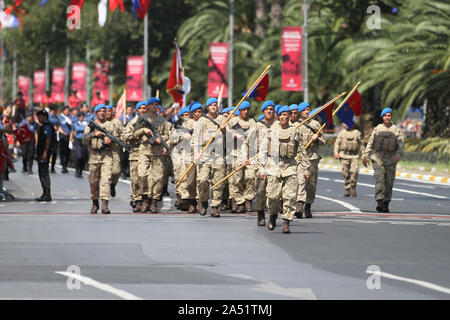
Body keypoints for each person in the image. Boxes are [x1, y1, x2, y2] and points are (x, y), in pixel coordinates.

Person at [263, 106, 310, 234]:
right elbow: (263, 150)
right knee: (273, 196)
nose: (283, 117)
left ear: (289, 117)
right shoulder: (272, 130)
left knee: (290, 196)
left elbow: (301, 150)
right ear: (278, 116)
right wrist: (262, 168)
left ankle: (286, 222)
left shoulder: (295, 131)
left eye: (286, 115)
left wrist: (306, 169)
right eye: (281, 115)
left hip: (290, 166)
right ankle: (272, 216)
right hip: (274, 165)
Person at [362, 108, 404, 213]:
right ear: (382, 117)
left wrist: (398, 155)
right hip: (378, 158)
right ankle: (379, 201)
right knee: (380, 179)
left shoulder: (396, 130)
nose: (387, 117)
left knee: (389, 182)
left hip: (391, 159)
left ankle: (386, 203)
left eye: (389, 115)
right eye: (385, 115)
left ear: (391, 117)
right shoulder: (377, 129)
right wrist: (365, 156)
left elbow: (401, 144)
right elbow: (370, 143)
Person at [135, 97, 171, 213]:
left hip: (158, 152)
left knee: (157, 178)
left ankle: (154, 201)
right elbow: (134, 134)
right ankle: (145, 198)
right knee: (142, 174)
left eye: (156, 104)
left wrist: (162, 139)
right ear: (148, 106)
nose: (154, 106)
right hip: (144, 150)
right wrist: (143, 130)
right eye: (152, 104)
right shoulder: (141, 119)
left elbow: (167, 135)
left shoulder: (162, 120)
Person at [193, 97, 227, 217]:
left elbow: (229, 139)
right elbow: (196, 138)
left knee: (218, 181)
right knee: (203, 179)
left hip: (218, 154)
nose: (214, 107)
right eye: (211, 105)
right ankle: (203, 201)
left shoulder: (223, 119)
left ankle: (215, 206)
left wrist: (224, 131)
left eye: (215, 105)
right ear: (207, 107)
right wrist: (196, 153)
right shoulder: (202, 121)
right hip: (205, 153)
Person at [83, 104, 115, 214]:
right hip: (94, 155)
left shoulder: (110, 125)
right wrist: (94, 134)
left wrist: (110, 141)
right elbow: (84, 140)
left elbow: (116, 141)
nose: (102, 113)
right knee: (93, 180)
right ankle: (95, 202)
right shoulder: (90, 126)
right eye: (100, 111)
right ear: (96, 113)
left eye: (104, 111)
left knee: (106, 179)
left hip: (106, 155)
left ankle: (105, 204)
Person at [296, 102, 325, 218]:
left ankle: (308, 205)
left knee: (311, 184)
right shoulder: (295, 125)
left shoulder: (316, 125)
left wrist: (317, 139)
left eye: (308, 109)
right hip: (300, 158)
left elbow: (323, 141)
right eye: (304, 110)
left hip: (312, 158)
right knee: (300, 182)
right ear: (300, 112)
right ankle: (299, 204)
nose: (307, 112)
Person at [227, 100, 257, 213]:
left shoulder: (252, 122)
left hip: (249, 155)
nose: (246, 111)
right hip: (236, 154)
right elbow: (224, 134)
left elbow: (254, 137)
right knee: (237, 179)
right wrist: (234, 135)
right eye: (244, 109)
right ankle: (240, 202)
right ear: (239, 110)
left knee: (250, 177)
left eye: (247, 109)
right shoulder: (233, 121)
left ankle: (248, 199)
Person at [170, 104, 198, 213]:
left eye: (188, 115)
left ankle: (191, 200)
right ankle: (182, 198)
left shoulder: (195, 124)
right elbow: (172, 139)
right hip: (180, 154)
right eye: (184, 115)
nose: (186, 117)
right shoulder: (178, 126)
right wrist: (182, 136)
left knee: (191, 179)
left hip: (192, 154)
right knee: (180, 177)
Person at [123, 101, 148, 212]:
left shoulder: (152, 122)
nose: (143, 110)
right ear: (137, 110)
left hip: (149, 154)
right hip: (136, 154)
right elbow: (125, 137)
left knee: (147, 178)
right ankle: (137, 200)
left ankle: (146, 201)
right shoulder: (132, 123)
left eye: (144, 108)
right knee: (136, 179)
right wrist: (139, 132)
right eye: (141, 108)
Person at [255, 100, 277, 226]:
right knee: (261, 190)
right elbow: (249, 143)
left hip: (275, 160)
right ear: (263, 111)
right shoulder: (257, 126)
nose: (269, 111)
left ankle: (272, 215)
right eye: (267, 109)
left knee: (274, 191)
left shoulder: (279, 125)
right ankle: (260, 215)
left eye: (271, 109)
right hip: (260, 160)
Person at [334, 123, 365, 197]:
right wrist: (336, 152)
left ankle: (353, 187)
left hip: (354, 155)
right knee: (346, 173)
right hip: (344, 155)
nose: (346, 125)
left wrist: (364, 155)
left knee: (354, 171)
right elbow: (337, 144)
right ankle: (347, 188)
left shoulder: (357, 133)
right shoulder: (342, 133)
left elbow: (361, 144)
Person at [35, 109, 56, 202]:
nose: (38, 118)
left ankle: (47, 194)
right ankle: (45, 193)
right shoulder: (42, 126)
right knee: (41, 172)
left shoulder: (47, 126)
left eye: (39, 116)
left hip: (44, 152)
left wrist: (45, 152)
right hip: (42, 151)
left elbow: (48, 139)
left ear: (44, 116)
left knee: (44, 172)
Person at [105, 105, 124, 197]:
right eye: (106, 111)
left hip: (114, 150)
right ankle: (106, 188)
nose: (107, 112)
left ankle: (113, 185)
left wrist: (119, 140)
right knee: (105, 173)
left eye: (109, 110)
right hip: (103, 151)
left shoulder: (117, 122)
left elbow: (123, 134)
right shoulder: (101, 122)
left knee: (116, 171)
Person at [70, 112, 88, 178]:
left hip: (84, 141)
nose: (81, 117)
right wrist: (70, 141)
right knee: (79, 156)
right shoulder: (75, 124)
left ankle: (80, 172)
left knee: (83, 157)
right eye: (80, 116)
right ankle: (77, 170)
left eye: (83, 116)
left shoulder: (86, 124)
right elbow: (72, 132)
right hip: (77, 141)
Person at [58, 106, 72, 173]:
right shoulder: (60, 118)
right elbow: (59, 126)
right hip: (63, 136)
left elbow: (73, 126)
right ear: (63, 111)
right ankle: (63, 165)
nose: (67, 111)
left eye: (68, 110)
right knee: (62, 151)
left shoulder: (71, 118)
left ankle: (66, 165)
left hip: (69, 136)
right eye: (66, 110)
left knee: (68, 152)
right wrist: (63, 132)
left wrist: (70, 122)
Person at [48, 105, 60, 174]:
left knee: (55, 151)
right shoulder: (48, 116)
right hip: (49, 135)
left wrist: (57, 127)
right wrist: (53, 126)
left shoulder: (56, 116)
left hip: (54, 136)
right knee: (49, 150)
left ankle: (53, 167)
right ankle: (46, 165)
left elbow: (58, 123)